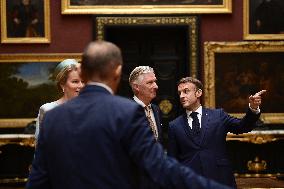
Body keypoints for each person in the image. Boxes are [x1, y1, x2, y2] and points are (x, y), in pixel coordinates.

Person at [26, 40, 232, 189]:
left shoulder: (54, 117)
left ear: (85, 74)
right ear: (117, 72)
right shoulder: (126, 112)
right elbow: (159, 166)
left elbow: (38, 178)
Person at [168, 77, 266, 188]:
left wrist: (253, 108)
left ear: (198, 93)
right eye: (179, 93)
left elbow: (242, 126)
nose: (181, 96)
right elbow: (172, 162)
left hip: (219, 179)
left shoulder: (218, 115)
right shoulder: (174, 125)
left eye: (186, 91)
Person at [129, 66, 163, 189]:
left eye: (155, 82)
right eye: (150, 82)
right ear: (136, 87)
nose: (156, 86)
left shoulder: (155, 109)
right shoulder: (127, 112)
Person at [35, 59, 84, 143]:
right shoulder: (48, 109)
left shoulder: (92, 108)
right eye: (75, 81)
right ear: (62, 84)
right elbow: (41, 146)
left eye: (83, 81)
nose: (81, 85)